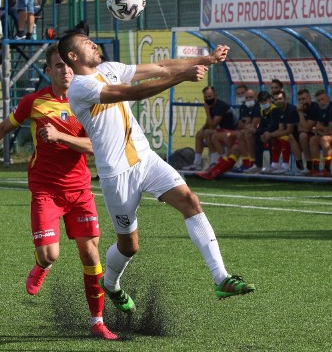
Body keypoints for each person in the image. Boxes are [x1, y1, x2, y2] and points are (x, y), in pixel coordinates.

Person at [57, 33, 255, 315]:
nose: (92, 43)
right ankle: (111, 284)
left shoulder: (109, 69)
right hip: (117, 175)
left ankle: (221, 277)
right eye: (85, 43)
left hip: (146, 159)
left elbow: (162, 67)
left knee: (190, 201)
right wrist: (181, 77)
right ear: (73, 57)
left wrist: (206, 59)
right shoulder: (80, 88)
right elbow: (131, 92)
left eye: (91, 40)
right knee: (129, 246)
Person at [0, 45, 118, 340]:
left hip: (80, 191)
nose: (66, 70)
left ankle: (97, 321)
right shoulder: (34, 102)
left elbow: (97, 147)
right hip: (46, 191)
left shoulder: (87, 101)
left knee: (90, 253)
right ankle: (41, 264)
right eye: (58, 66)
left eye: (70, 65)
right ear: (49, 71)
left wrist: (60, 137)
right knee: (49, 254)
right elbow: (4, 127)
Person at [185, 86, 237, 171]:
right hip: (222, 130)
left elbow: (212, 125)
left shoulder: (220, 106)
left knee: (208, 133)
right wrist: (202, 129)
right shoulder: (211, 106)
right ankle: (197, 163)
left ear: (215, 95)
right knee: (199, 134)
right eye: (206, 97)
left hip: (231, 130)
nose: (208, 99)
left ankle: (217, 161)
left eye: (210, 96)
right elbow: (208, 123)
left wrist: (207, 111)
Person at [259, 90, 299, 174]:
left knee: (284, 137)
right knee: (276, 137)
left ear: (285, 99)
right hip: (291, 134)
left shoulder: (291, 109)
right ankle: (274, 165)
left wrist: (270, 134)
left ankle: (285, 166)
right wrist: (268, 135)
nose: (278, 101)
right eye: (276, 99)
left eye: (280, 99)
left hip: (297, 134)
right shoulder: (279, 110)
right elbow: (281, 128)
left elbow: (289, 130)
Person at [308, 90, 332, 177]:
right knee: (313, 139)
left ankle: (327, 169)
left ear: (328, 99)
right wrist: (321, 129)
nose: (321, 102)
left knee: (324, 139)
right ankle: (315, 168)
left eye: (323, 99)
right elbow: (317, 127)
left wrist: (320, 128)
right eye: (319, 100)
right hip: (327, 135)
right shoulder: (319, 109)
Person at [242, 91, 276, 174]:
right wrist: (258, 131)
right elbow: (262, 125)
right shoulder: (262, 110)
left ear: (269, 100)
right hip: (267, 131)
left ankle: (273, 165)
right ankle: (257, 165)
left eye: (265, 101)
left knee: (269, 138)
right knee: (256, 136)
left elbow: (274, 126)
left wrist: (265, 132)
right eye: (261, 102)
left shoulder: (274, 109)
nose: (263, 103)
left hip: (277, 132)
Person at [291, 89, 320, 175]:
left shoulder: (314, 107)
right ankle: (299, 165)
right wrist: (305, 127)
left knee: (303, 136)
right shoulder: (297, 108)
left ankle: (309, 165)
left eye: (303, 99)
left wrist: (300, 113)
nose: (301, 102)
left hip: (316, 134)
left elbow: (306, 128)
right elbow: (299, 127)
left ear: (309, 98)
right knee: (290, 136)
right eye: (299, 100)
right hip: (306, 132)